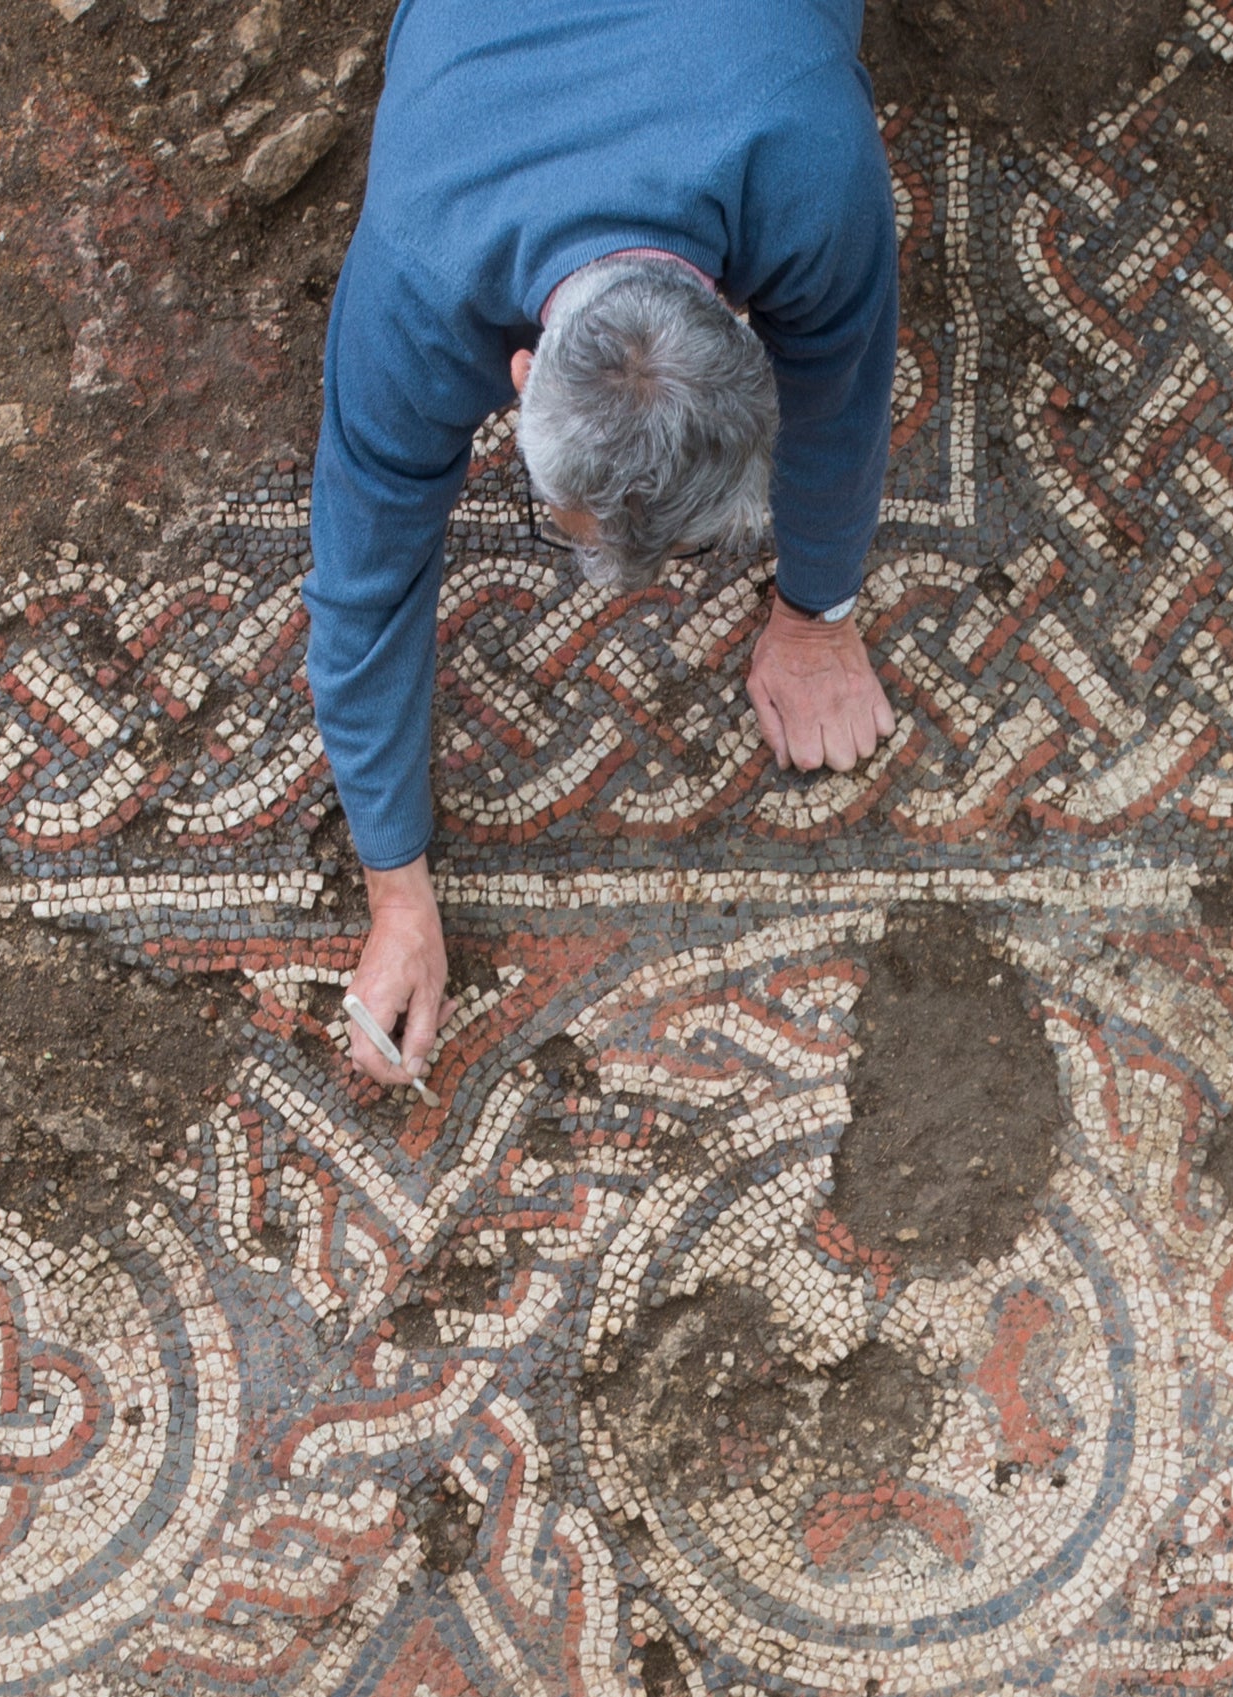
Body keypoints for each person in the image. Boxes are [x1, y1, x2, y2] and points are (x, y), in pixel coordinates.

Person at [310, 0, 904, 1087]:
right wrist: (395, 887)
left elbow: (843, 387)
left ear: (742, 330)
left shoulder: (815, 157)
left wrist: (818, 613)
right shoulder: (414, 280)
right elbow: (364, 586)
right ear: (521, 379)